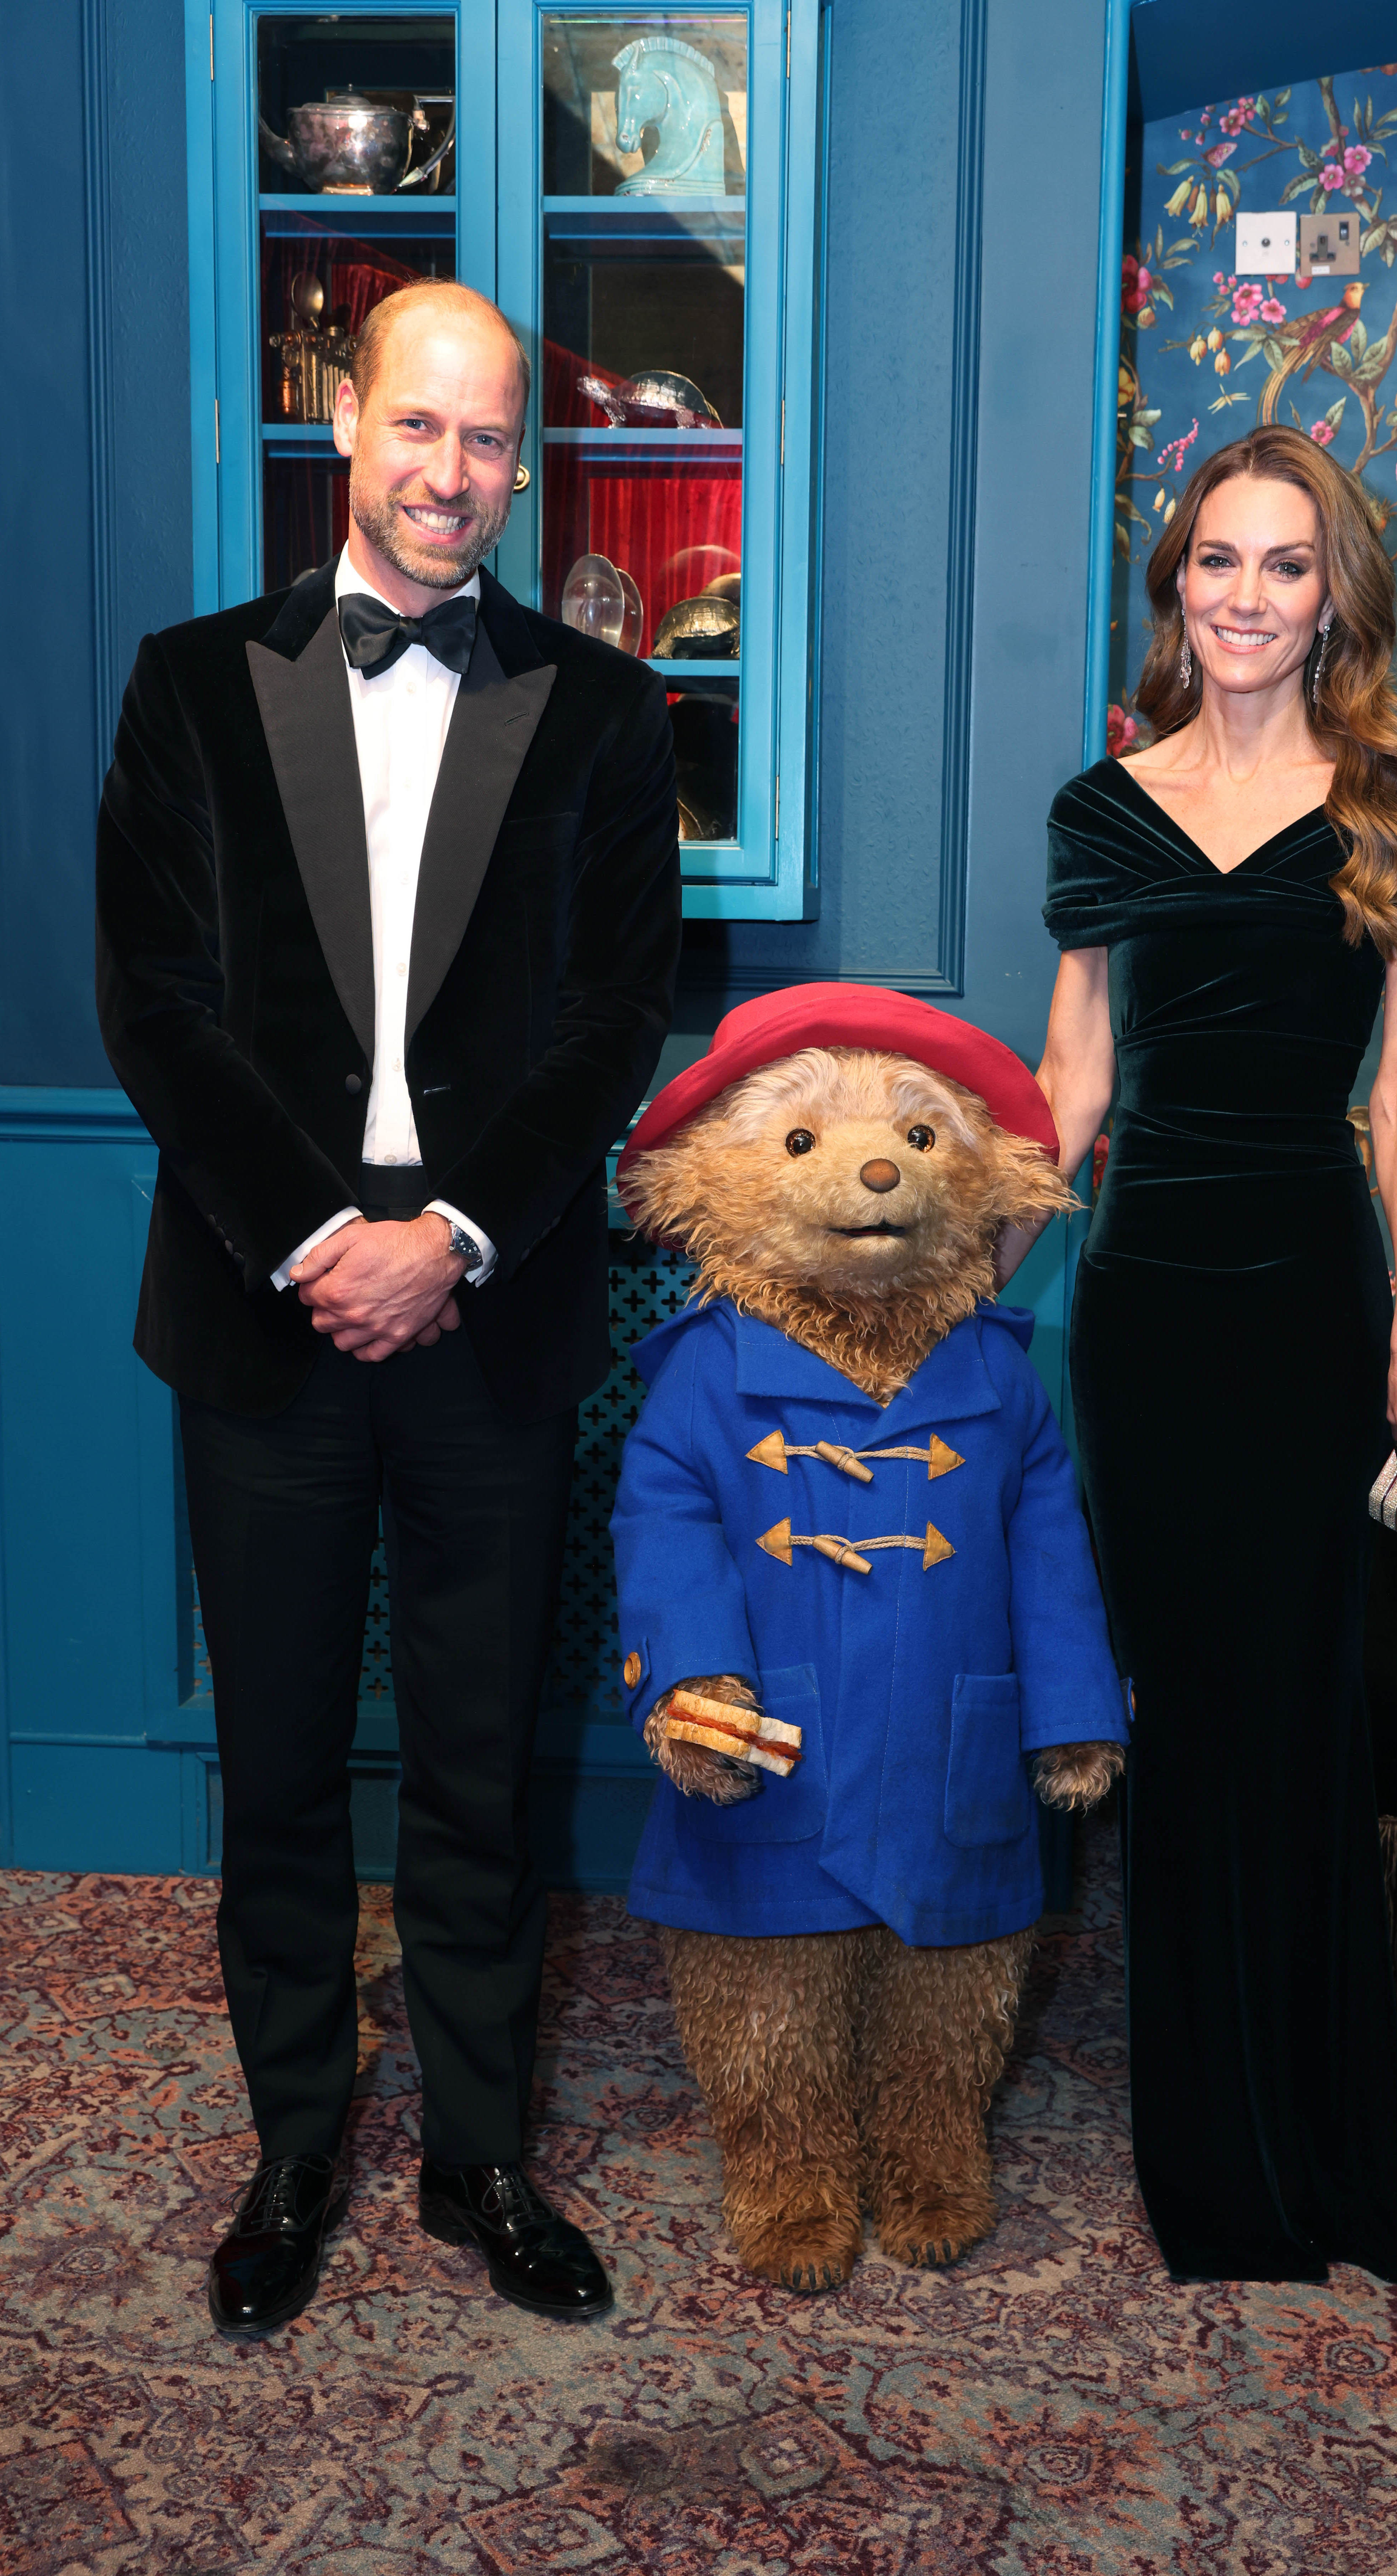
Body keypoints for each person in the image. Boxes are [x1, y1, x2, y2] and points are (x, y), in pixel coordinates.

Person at [96, 279, 682, 2335]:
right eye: (421, 426)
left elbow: (614, 1018)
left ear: (525, 462)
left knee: (479, 1759)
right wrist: (315, 1242)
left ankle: (482, 2154)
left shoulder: (605, 712)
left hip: (488, 1315)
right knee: (274, 1757)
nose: (454, 472)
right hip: (263, 1312)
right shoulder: (189, 685)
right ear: (348, 424)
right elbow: (156, 1006)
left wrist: (455, 1238)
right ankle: (292, 2146)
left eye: (491, 438)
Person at [1010, 424, 1397, 2283]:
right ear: (1176, 586)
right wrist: (940, 1292)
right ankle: (1214, 2156)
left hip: (1307, 1306)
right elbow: (1072, 1088)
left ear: (1333, 595)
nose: (1247, 597)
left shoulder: (1396, 806)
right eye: (1217, 561)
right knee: (1187, 1718)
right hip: (1147, 1315)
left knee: (1300, 1710)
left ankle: (1327, 2127)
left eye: (1285, 564)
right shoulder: (1102, 810)